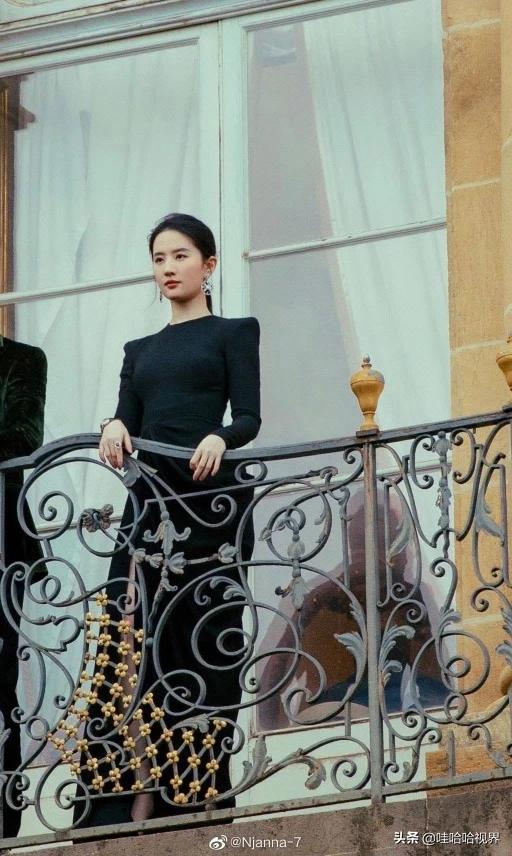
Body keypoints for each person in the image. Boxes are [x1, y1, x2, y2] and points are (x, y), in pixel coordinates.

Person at [72, 213, 261, 829]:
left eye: (180, 256)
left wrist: (221, 436)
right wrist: (112, 426)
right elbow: (125, 416)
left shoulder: (234, 332)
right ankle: (128, 797)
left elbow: (249, 416)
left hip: (208, 503)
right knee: (128, 643)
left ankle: (196, 796)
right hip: (149, 507)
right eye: (159, 259)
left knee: (201, 642)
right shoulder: (140, 351)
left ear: (209, 265)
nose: (169, 268)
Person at [0, 335, 47, 838]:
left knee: (0, 683)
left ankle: (3, 820)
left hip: (0, 540)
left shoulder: (22, 359)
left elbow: (22, 436)